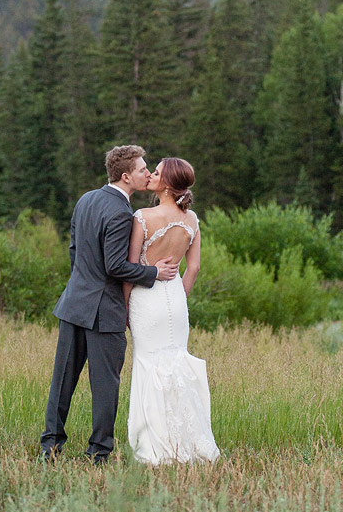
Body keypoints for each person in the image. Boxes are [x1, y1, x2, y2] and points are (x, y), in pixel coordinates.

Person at [40, 145, 179, 463]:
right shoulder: (121, 212)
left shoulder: (86, 199)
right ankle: (99, 452)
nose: (148, 173)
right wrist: (154, 272)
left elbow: (75, 251)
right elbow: (115, 266)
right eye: (144, 169)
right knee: (104, 385)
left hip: (74, 303)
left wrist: (83, 283)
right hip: (104, 311)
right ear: (127, 176)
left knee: (62, 380)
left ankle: (50, 446)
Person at [123, 157, 220, 464]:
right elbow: (194, 268)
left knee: (148, 363)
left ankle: (156, 446)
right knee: (177, 363)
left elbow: (130, 267)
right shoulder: (192, 220)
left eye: (156, 172)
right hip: (175, 302)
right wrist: (178, 295)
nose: (151, 174)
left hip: (145, 299)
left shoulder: (143, 216)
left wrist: (124, 308)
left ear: (165, 183)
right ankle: (190, 441)